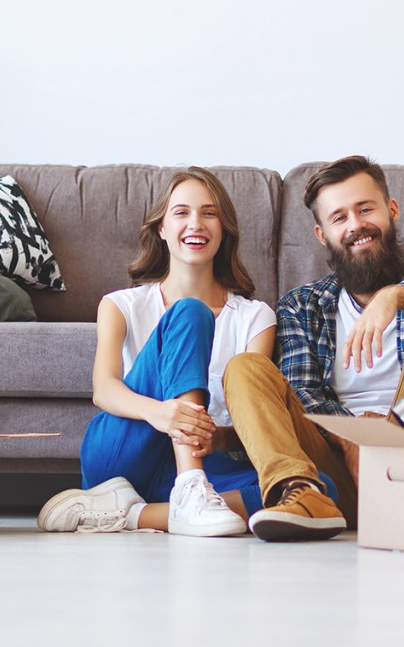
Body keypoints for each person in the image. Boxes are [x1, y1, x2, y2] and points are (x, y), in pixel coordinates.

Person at [222, 155, 404, 542]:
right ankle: (304, 496)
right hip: (336, 469)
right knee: (245, 367)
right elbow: (304, 394)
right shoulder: (303, 305)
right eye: (339, 217)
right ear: (322, 235)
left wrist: (395, 297)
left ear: (391, 210)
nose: (356, 226)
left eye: (365, 209)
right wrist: (353, 437)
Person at [38, 167, 279, 537]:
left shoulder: (254, 317)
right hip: (122, 455)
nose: (196, 223)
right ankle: (189, 489)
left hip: (203, 463)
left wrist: (218, 437)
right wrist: (161, 414)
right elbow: (103, 390)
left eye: (209, 213)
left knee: (311, 486)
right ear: (162, 229)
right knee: (190, 312)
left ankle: (132, 515)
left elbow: (254, 419)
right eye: (181, 213)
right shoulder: (121, 305)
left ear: (224, 230)